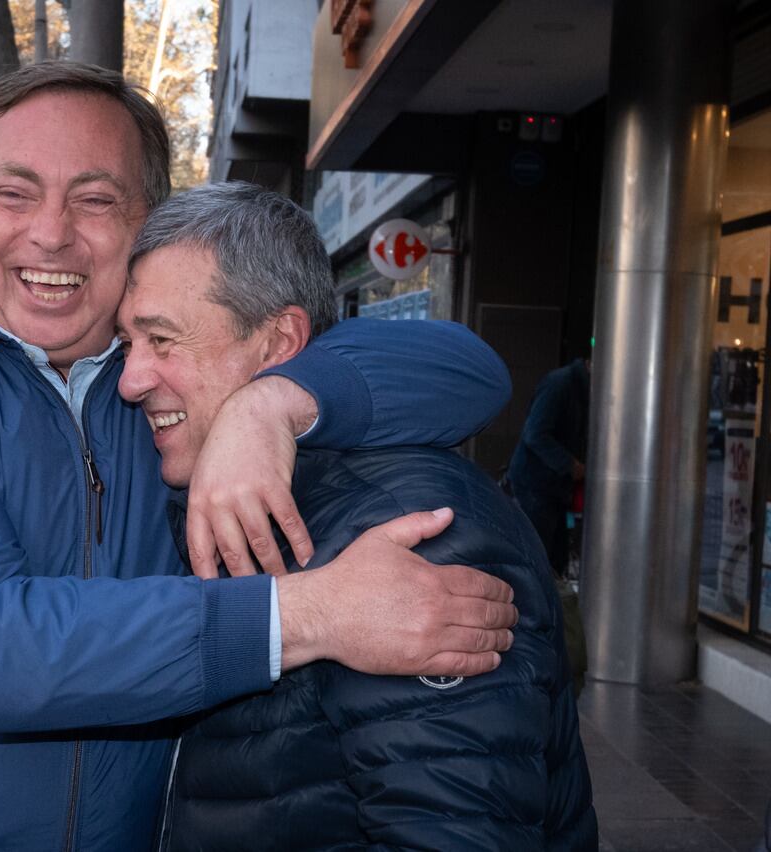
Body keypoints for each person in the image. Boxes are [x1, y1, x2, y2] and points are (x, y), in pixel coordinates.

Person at [0, 62, 516, 851]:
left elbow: (469, 370)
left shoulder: (165, 369)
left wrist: (271, 405)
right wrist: (314, 614)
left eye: (96, 199)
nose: (51, 231)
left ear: (147, 225)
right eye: (15, 193)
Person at [111, 182, 596, 850]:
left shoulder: (409, 539)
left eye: (162, 340)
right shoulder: (212, 478)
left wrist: (267, 406)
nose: (129, 380)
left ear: (280, 341)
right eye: (127, 342)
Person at [507, 355, 591, 577]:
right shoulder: (561, 384)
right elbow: (534, 434)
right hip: (537, 484)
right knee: (538, 556)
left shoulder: (579, 387)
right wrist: (570, 465)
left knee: (554, 557)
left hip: (555, 487)